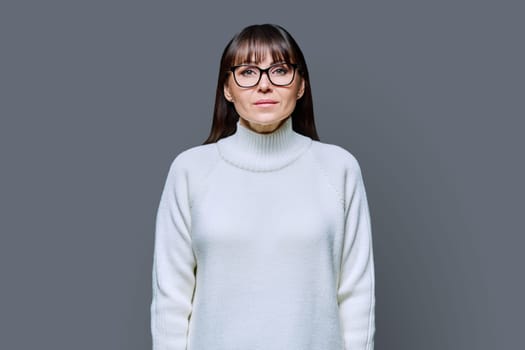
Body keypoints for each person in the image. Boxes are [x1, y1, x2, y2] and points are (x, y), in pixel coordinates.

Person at [151, 24, 376, 350]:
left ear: (300, 86)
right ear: (227, 88)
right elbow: (171, 300)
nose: (264, 85)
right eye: (247, 72)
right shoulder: (190, 171)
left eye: (280, 70)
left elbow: (357, 297)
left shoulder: (339, 169)